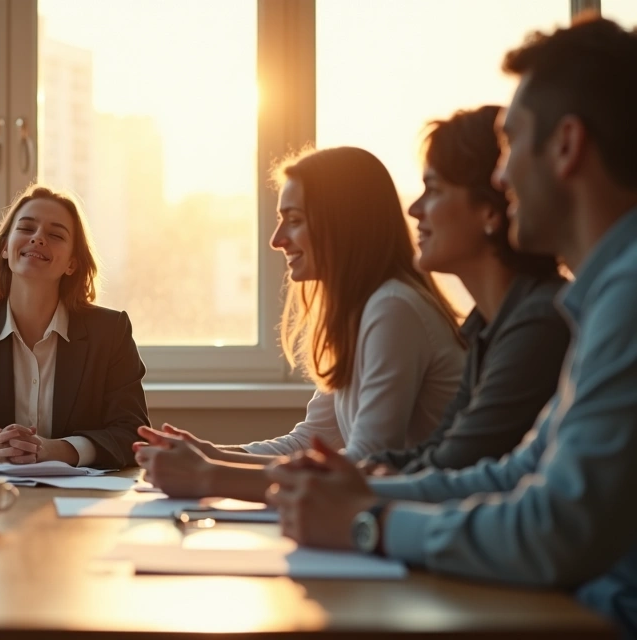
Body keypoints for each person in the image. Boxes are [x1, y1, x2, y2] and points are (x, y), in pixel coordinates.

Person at [265, 15, 637, 635]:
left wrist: (365, 523)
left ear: (567, 146)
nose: (500, 176)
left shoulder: (624, 294)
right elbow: (517, 473)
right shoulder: (598, 297)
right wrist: (360, 498)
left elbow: (556, 527)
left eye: (511, 143)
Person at [136, 147, 464, 499]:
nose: (277, 240)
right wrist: (212, 455)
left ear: (343, 223)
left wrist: (208, 474)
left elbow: (360, 465)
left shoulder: (393, 309)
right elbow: (310, 440)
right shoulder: (362, 310)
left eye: (293, 220)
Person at [361, 105, 568, 476]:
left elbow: (453, 467)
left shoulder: (540, 321)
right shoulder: (485, 326)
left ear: (490, 211)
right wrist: (357, 473)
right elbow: (438, 448)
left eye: (434, 190)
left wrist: (355, 487)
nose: (414, 209)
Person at [0, 185, 149, 469]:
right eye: (26, 228)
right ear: (4, 247)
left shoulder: (111, 332)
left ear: (72, 263)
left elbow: (132, 434)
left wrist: (54, 451)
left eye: (56, 235)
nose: (38, 238)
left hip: (78, 504)